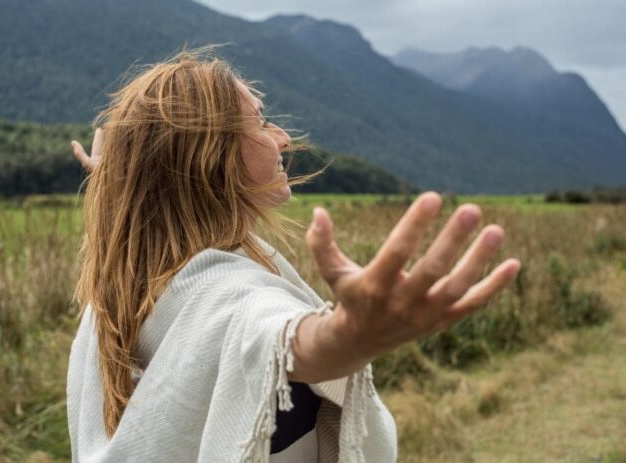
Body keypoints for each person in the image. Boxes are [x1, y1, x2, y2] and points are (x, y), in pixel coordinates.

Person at [67, 49, 521, 463]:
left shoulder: (125, 280)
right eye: (261, 122)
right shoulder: (222, 292)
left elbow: (152, 196)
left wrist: (118, 174)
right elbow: (270, 335)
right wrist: (352, 334)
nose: (282, 138)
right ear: (208, 158)